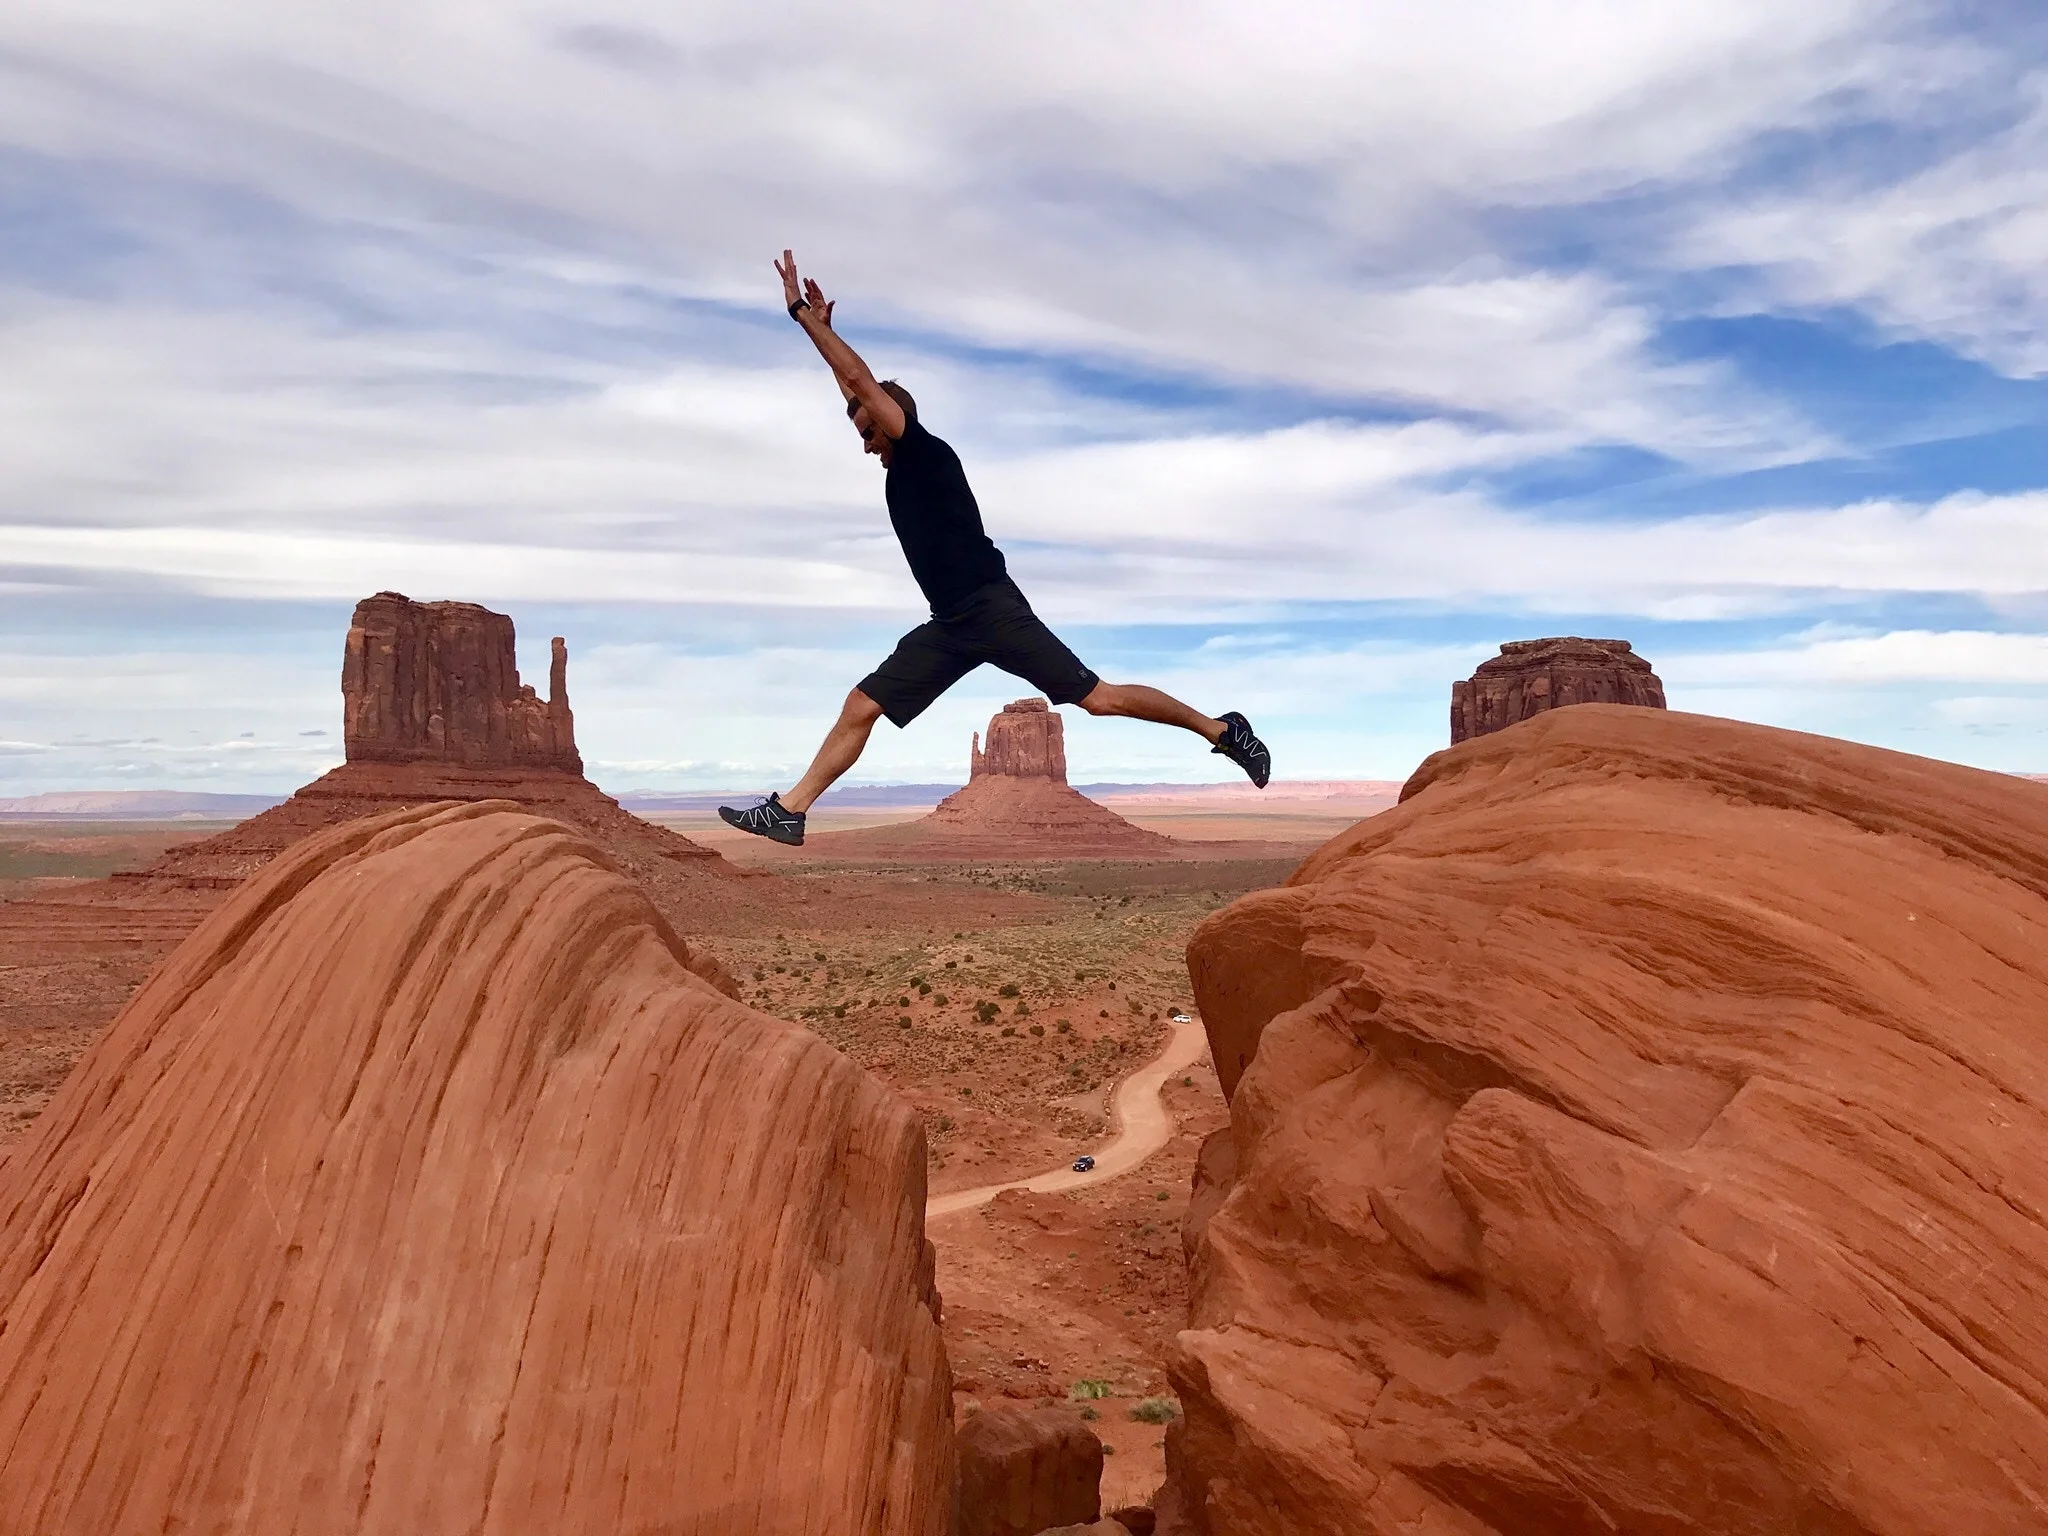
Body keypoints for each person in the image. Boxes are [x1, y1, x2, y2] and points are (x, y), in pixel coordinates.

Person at [719, 251, 1270, 847]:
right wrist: (825, 335)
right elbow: (853, 388)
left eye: (870, 429)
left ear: (893, 416)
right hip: (951, 623)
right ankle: (791, 810)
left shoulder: (924, 453)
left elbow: (860, 382)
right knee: (862, 704)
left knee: (1098, 700)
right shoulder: (900, 456)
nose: (866, 444)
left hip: (993, 609)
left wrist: (806, 318)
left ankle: (1222, 730)